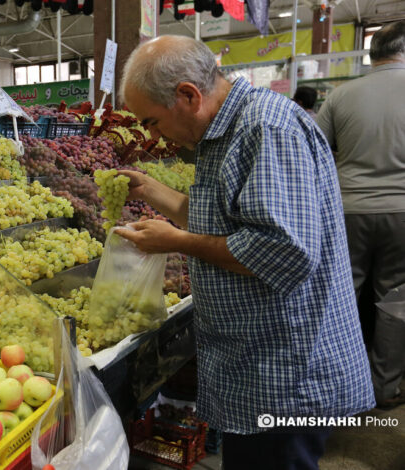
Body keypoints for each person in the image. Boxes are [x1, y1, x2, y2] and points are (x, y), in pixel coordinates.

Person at [117, 35, 374, 470]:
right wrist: (154, 193)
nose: (152, 134)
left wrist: (175, 241)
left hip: (287, 374)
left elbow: (283, 251)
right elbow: (228, 220)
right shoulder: (226, 131)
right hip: (258, 367)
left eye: (153, 121)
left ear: (187, 95)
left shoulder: (264, 129)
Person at [316, 21, 405, 410]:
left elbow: (313, 149)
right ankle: (385, 388)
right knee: (394, 299)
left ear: (373, 53)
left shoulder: (340, 95)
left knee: (341, 296)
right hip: (403, 213)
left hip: (347, 210)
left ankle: (335, 387)